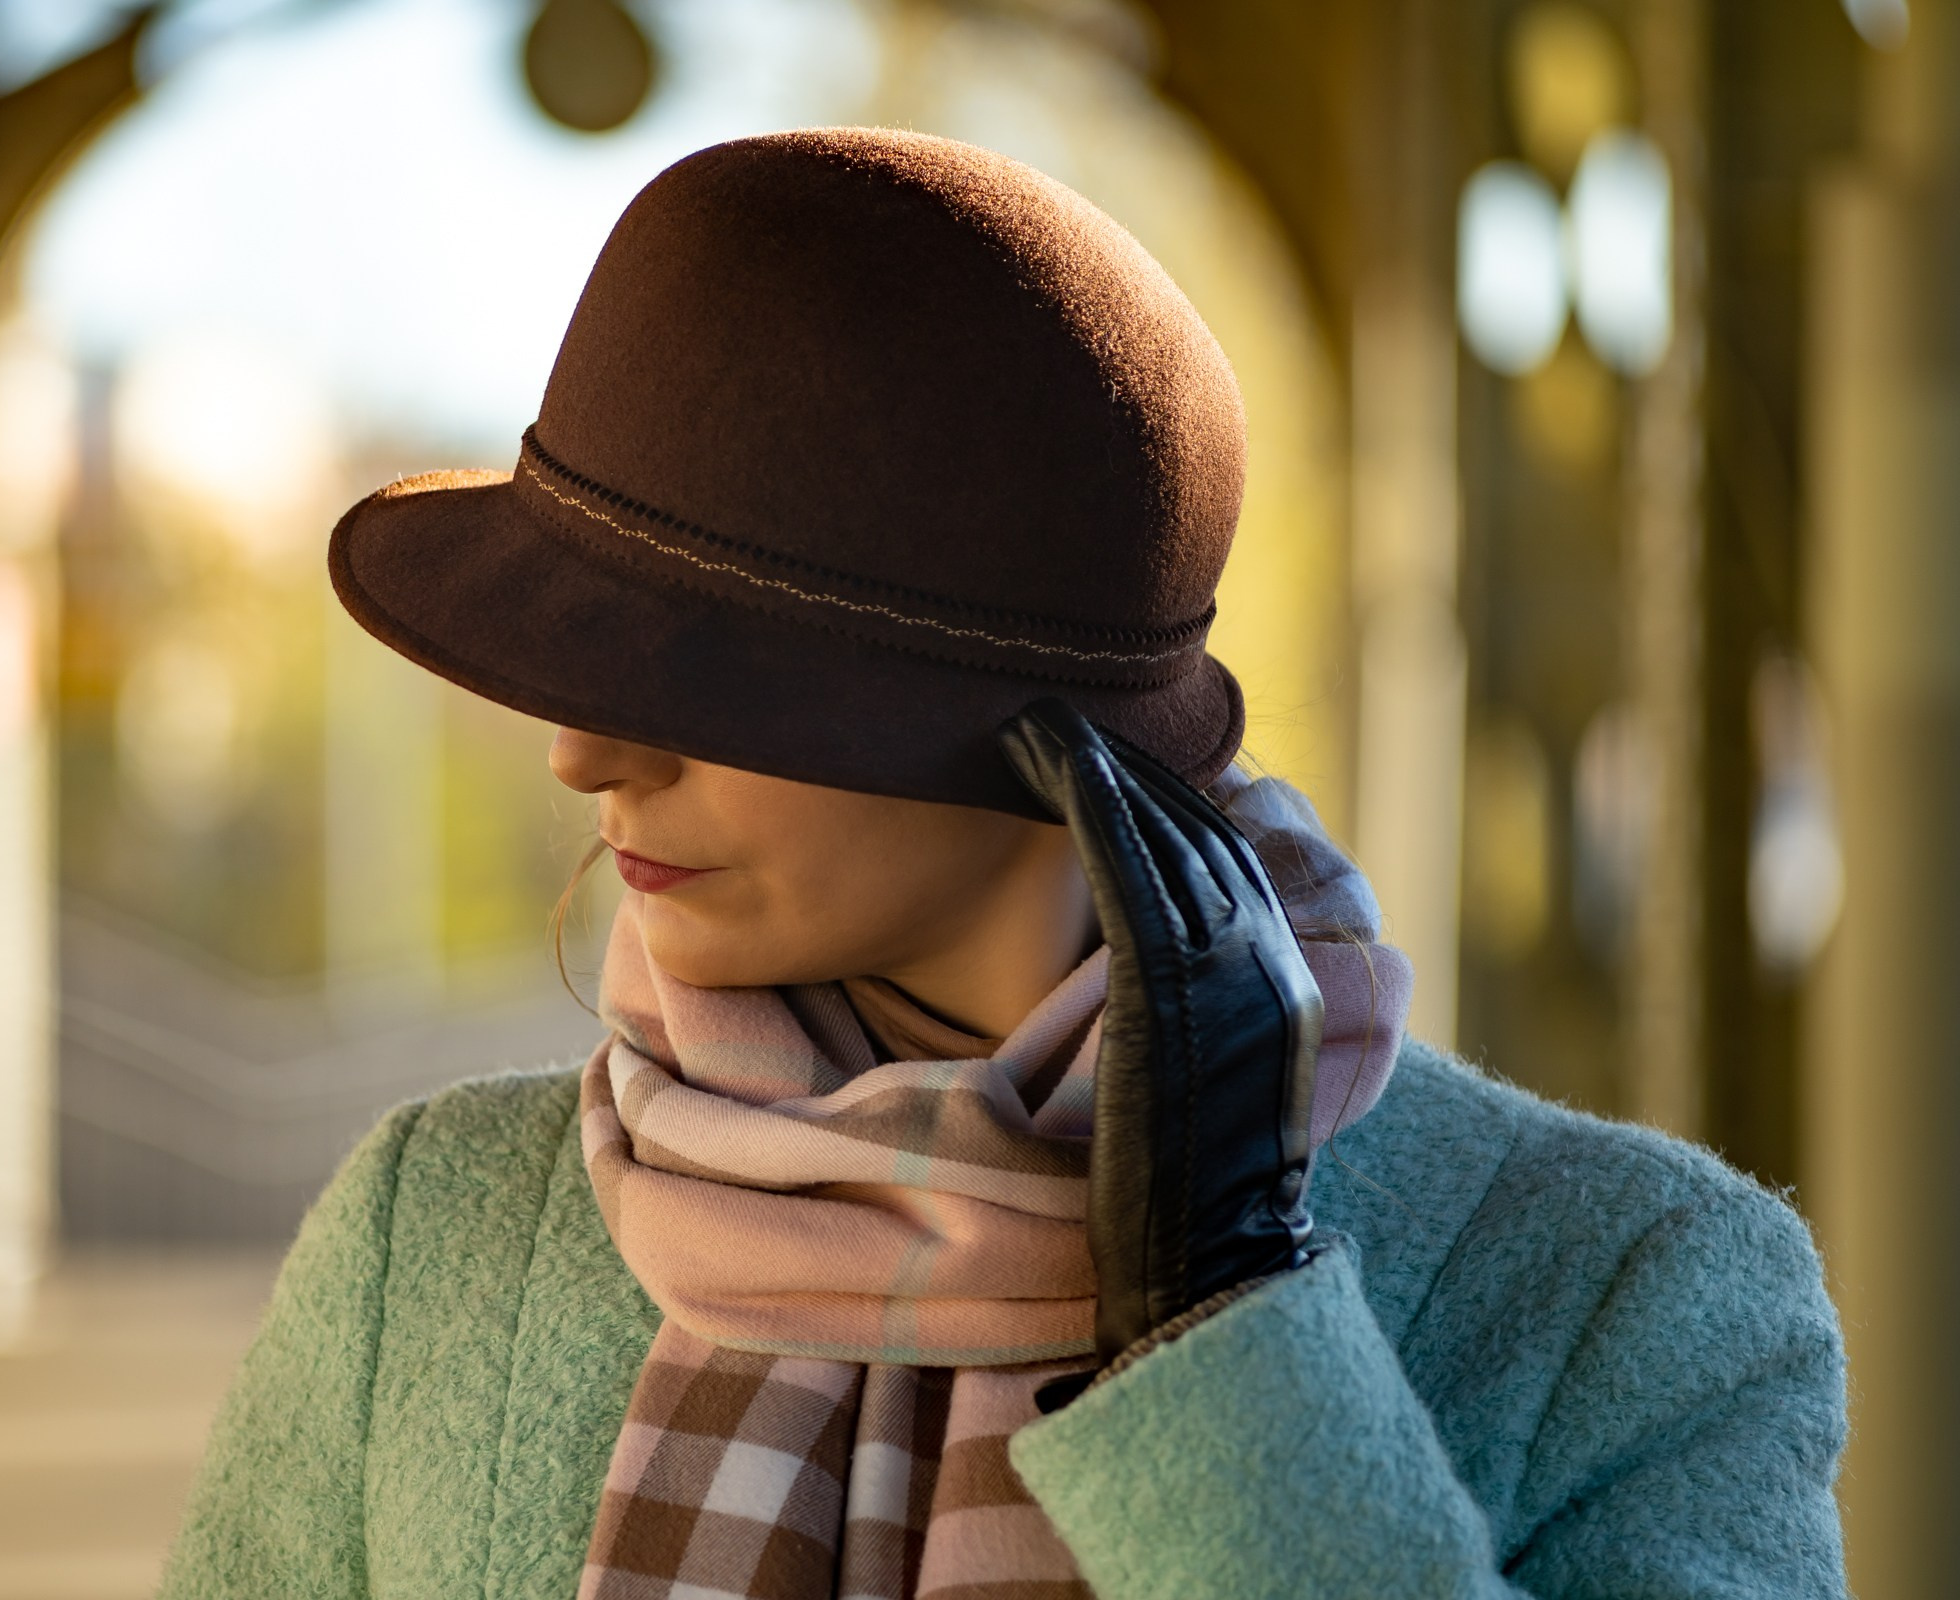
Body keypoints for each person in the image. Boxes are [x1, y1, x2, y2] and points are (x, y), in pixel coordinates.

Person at [159, 128, 1847, 1599]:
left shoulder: (1636, 1289)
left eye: (698, 677)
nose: (586, 755)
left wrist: (1228, 1321)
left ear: (1032, 738)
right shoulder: (433, 1240)